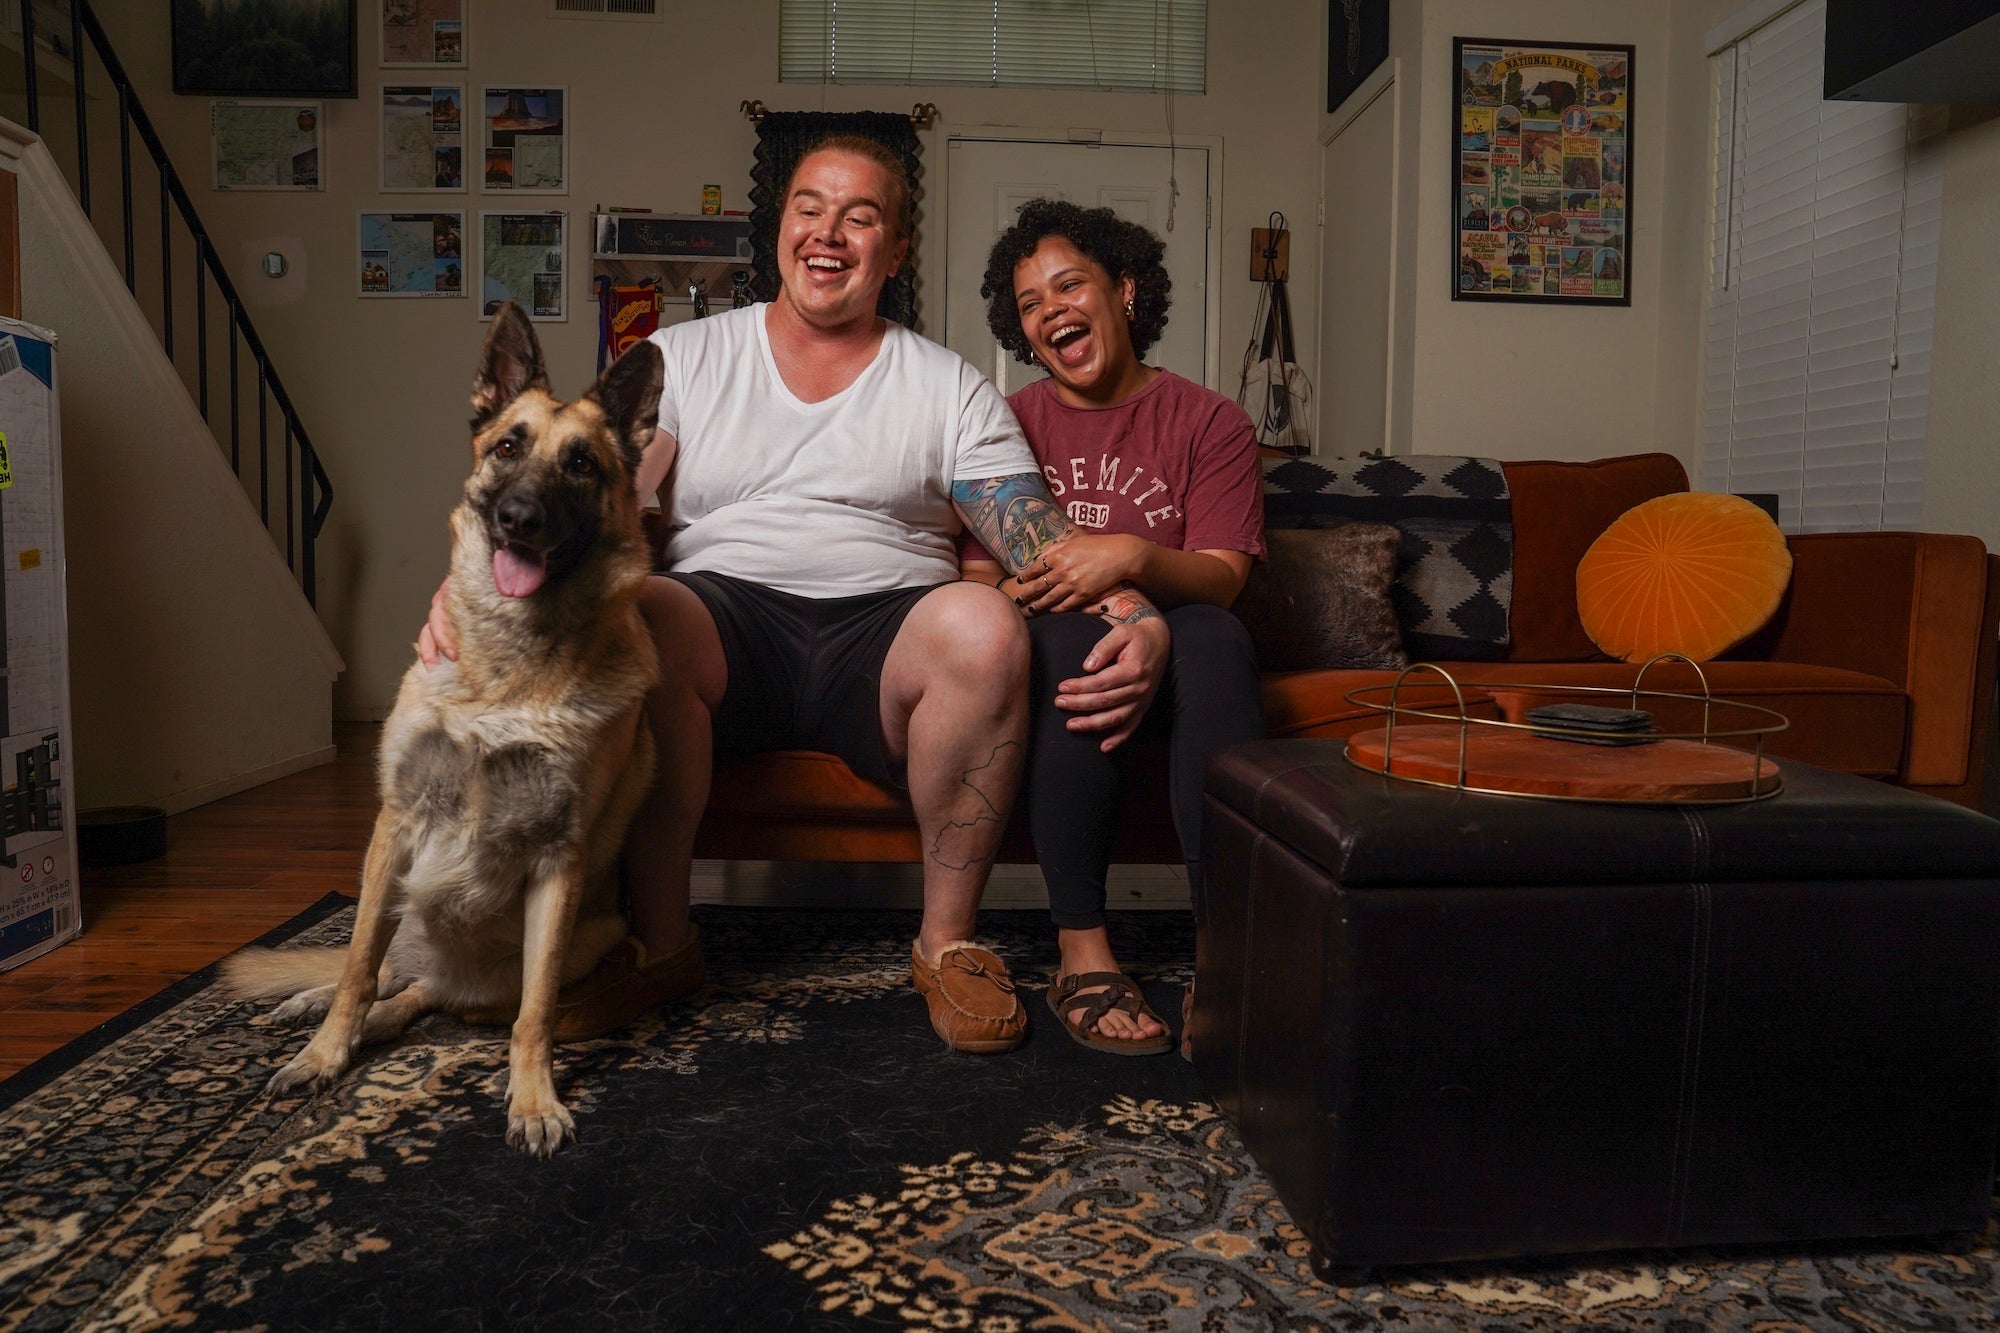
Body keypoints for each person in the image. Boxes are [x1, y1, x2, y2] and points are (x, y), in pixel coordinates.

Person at [420, 138, 1172, 1055]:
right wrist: (472, 596)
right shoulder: (682, 359)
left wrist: (1134, 609)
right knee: (644, 610)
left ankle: (948, 944)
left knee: (984, 622)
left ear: (894, 251)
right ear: (779, 230)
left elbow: (1033, 537)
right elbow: (592, 502)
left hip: (887, 629)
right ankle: (660, 945)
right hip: (724, 617)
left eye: (861, 217)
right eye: (810, 208)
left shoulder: (950, 386)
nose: (830, 233)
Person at [965, 200, 1264, 1056]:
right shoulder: (1004, 422)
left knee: (1215, 638)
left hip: (1190, 652)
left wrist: (1127, 556)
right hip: (1066, 643)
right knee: (1064, 642)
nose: (1051, 308)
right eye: (1029, 303)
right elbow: (981, 575)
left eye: (1070, 284)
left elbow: (1221, 576)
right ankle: (1081, 949)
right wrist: (1099, 601)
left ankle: (1230, 956)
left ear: (1124, 291)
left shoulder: (1211, 421)